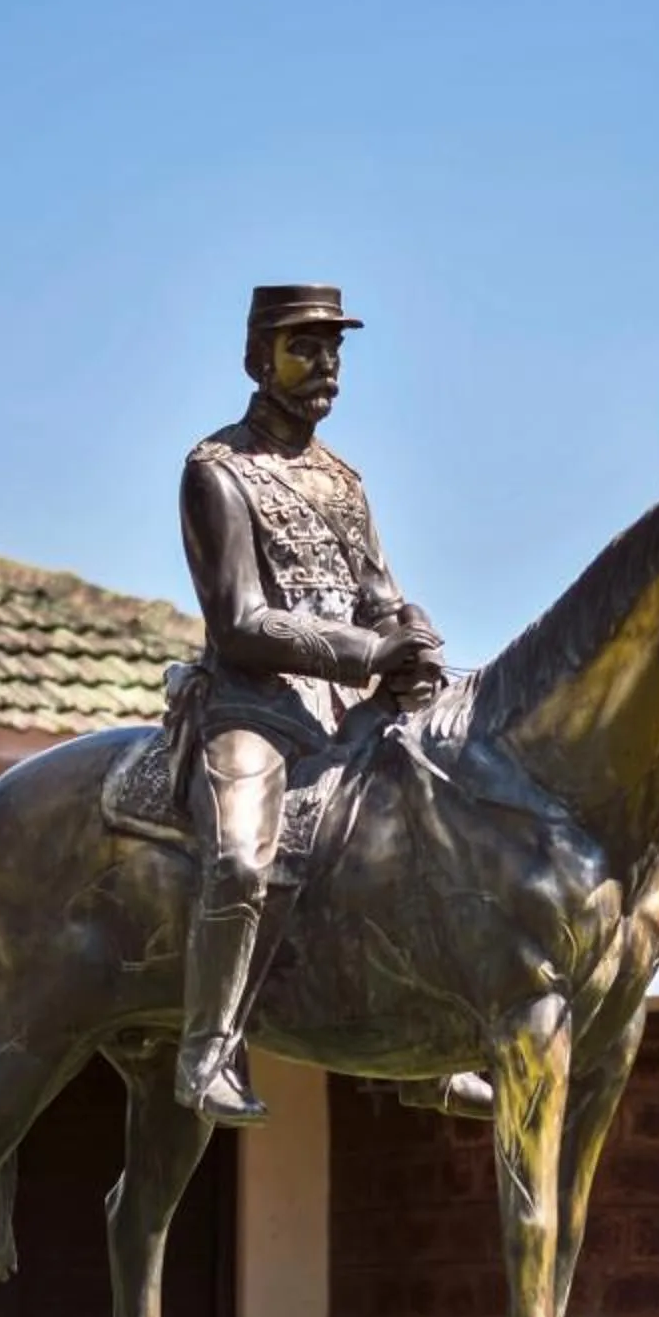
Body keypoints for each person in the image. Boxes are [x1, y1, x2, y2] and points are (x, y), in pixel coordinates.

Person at [171, 283, 479, 1125]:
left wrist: (410, 637)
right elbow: (239, 622)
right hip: (254, 708)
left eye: (334, 348)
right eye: (305, 347)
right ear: (256, 358)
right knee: (241, 857)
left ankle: (429, 1044)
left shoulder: (345, 480)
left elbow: (377, 593)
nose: (326, 366)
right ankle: (209, 1046)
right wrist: (366, 654)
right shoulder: (217, 472)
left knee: (445, 818)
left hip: (348, 714)